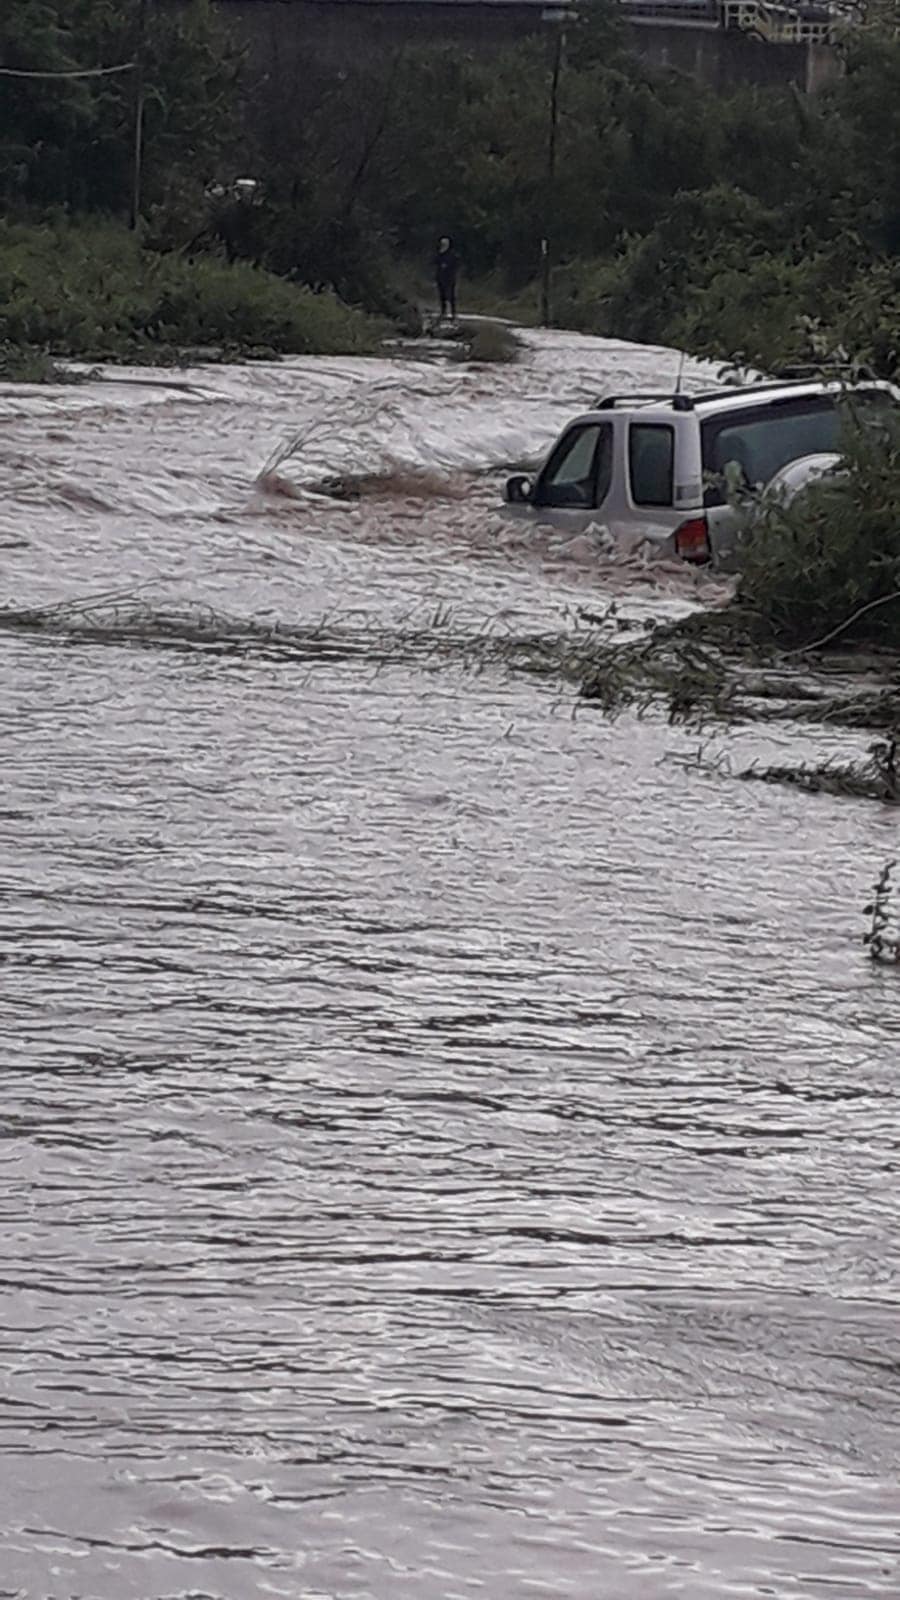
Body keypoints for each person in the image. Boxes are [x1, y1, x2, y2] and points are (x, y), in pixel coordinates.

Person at [434, 236, 460, 321]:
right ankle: (443, 311)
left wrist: (447, 266)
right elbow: (434, 262)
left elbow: (455, 265)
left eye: (445, 244)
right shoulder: (439, 254)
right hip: (440, 278)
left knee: (451, 296)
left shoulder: (452, 255)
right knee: (442, 296)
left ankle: (453, 313)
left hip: (449, 278)